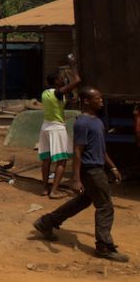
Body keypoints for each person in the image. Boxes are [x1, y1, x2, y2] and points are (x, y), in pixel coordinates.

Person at [34, 87, 128, 263]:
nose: (101, 100)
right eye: (97, 98)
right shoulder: (82, 123)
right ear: (86, 101)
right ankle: (104, 246)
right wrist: (76, 179)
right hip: (91, 170)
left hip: (98, 167)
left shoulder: (97, 122)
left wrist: (113, 167)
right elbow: (78, 151)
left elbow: (101, 148)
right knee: (105, 206)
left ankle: (46, 222)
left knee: (83, 200)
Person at [38, 63, 81, 198]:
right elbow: (77, 81)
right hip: (57, 128)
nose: (63, 79)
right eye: (60, 78)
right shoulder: (57, 92)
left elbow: (62, 100)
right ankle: (54, 191)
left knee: (46, 159)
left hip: (46, 127)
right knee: (61, 160)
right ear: (56, 81)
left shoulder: (45, 93)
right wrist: (73, 68)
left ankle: (45, 188)